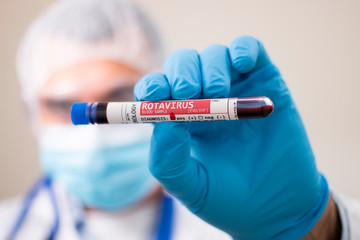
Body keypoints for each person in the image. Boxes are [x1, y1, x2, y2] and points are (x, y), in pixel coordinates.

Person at [0, 0, 359, 239]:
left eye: (120, 97)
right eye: (64, 106)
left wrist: (318, 226)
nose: (94, 132)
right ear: (32, 112)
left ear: (157, 95)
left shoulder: (232, 215)